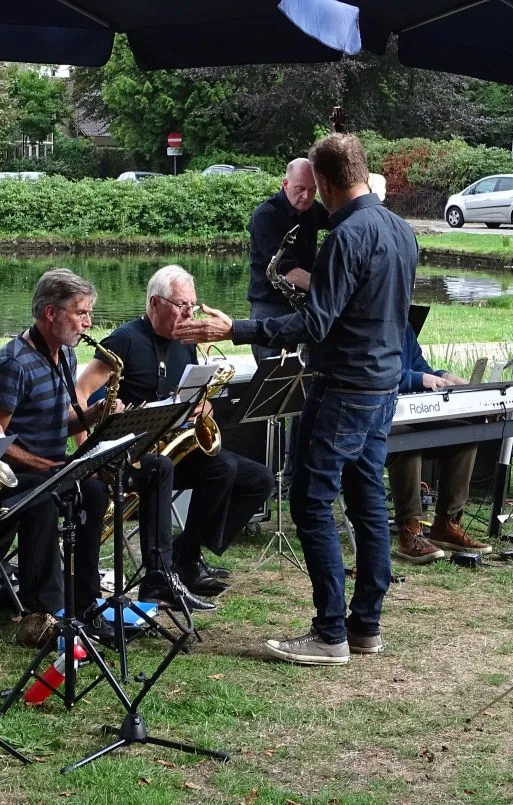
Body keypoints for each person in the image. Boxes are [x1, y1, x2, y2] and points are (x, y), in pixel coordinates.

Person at [177, 133, 415, 667]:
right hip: (383, 385)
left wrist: (234, 328)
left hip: (342, 386)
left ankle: (331, 632)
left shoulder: (347, 237)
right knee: (367, 500)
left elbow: (313, 322)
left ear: (326, 183)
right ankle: (366, 626)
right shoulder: (400, 229)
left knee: (310, 500)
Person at [0, 269, 210, 648]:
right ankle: (42, 613)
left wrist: (95, 416)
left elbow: (58, 419)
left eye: (89, 312)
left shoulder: (63, 355)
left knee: (121, 481)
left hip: (55, 467)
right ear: (50, 314)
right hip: (17, 475)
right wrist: (47, 466)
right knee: (60, 498)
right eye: (81, 313)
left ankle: (89, 602)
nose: (88, 322)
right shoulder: (15, 362)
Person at [75, 265, 275, 596]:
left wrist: (203, 407)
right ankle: (173, 569)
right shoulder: (124, 339)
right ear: (155, 303)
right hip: (133, 455)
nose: (189, 313)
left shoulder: (184, 341)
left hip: (171, 450)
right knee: (199, 468)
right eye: (181, 305)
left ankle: (186, 553)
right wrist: (87, 457)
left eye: (192, 306)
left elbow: (195, 394)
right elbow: (81, 391)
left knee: (257, 479)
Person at [385, 327, 491, 565]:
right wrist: (419, 379)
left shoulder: (402, 326)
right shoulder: (369, 319)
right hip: (378, 414)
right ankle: (410, 530)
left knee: (464, 434)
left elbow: (420, 367)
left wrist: (445, 377)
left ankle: (447, 522)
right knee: (406, 443)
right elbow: (375, 372)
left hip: (411, 412)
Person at [246, 157, 330, 361]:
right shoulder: (266, 215)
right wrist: (329, 289)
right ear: (285, 183)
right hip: (269, 304)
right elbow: (287, 271)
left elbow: (341, 220)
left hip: (301, 303)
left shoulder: (312, 210)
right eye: (300, 188)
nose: (306, 196)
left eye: (313, 190)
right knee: (273, 371)